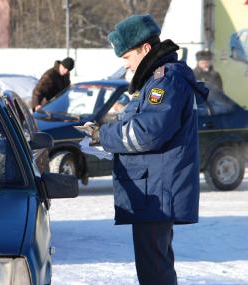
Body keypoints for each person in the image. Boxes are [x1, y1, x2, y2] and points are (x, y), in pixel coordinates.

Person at [81, 15, 208, 284]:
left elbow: (147, 133)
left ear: (146, 49)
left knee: (154, 271)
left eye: (127, 57)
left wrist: (103, 136)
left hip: (157, 192)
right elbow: (139, 124)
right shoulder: (154, 81)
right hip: (154, 190)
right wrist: (102, 135)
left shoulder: (165, 81)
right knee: (156, 266)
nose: (125, 64)